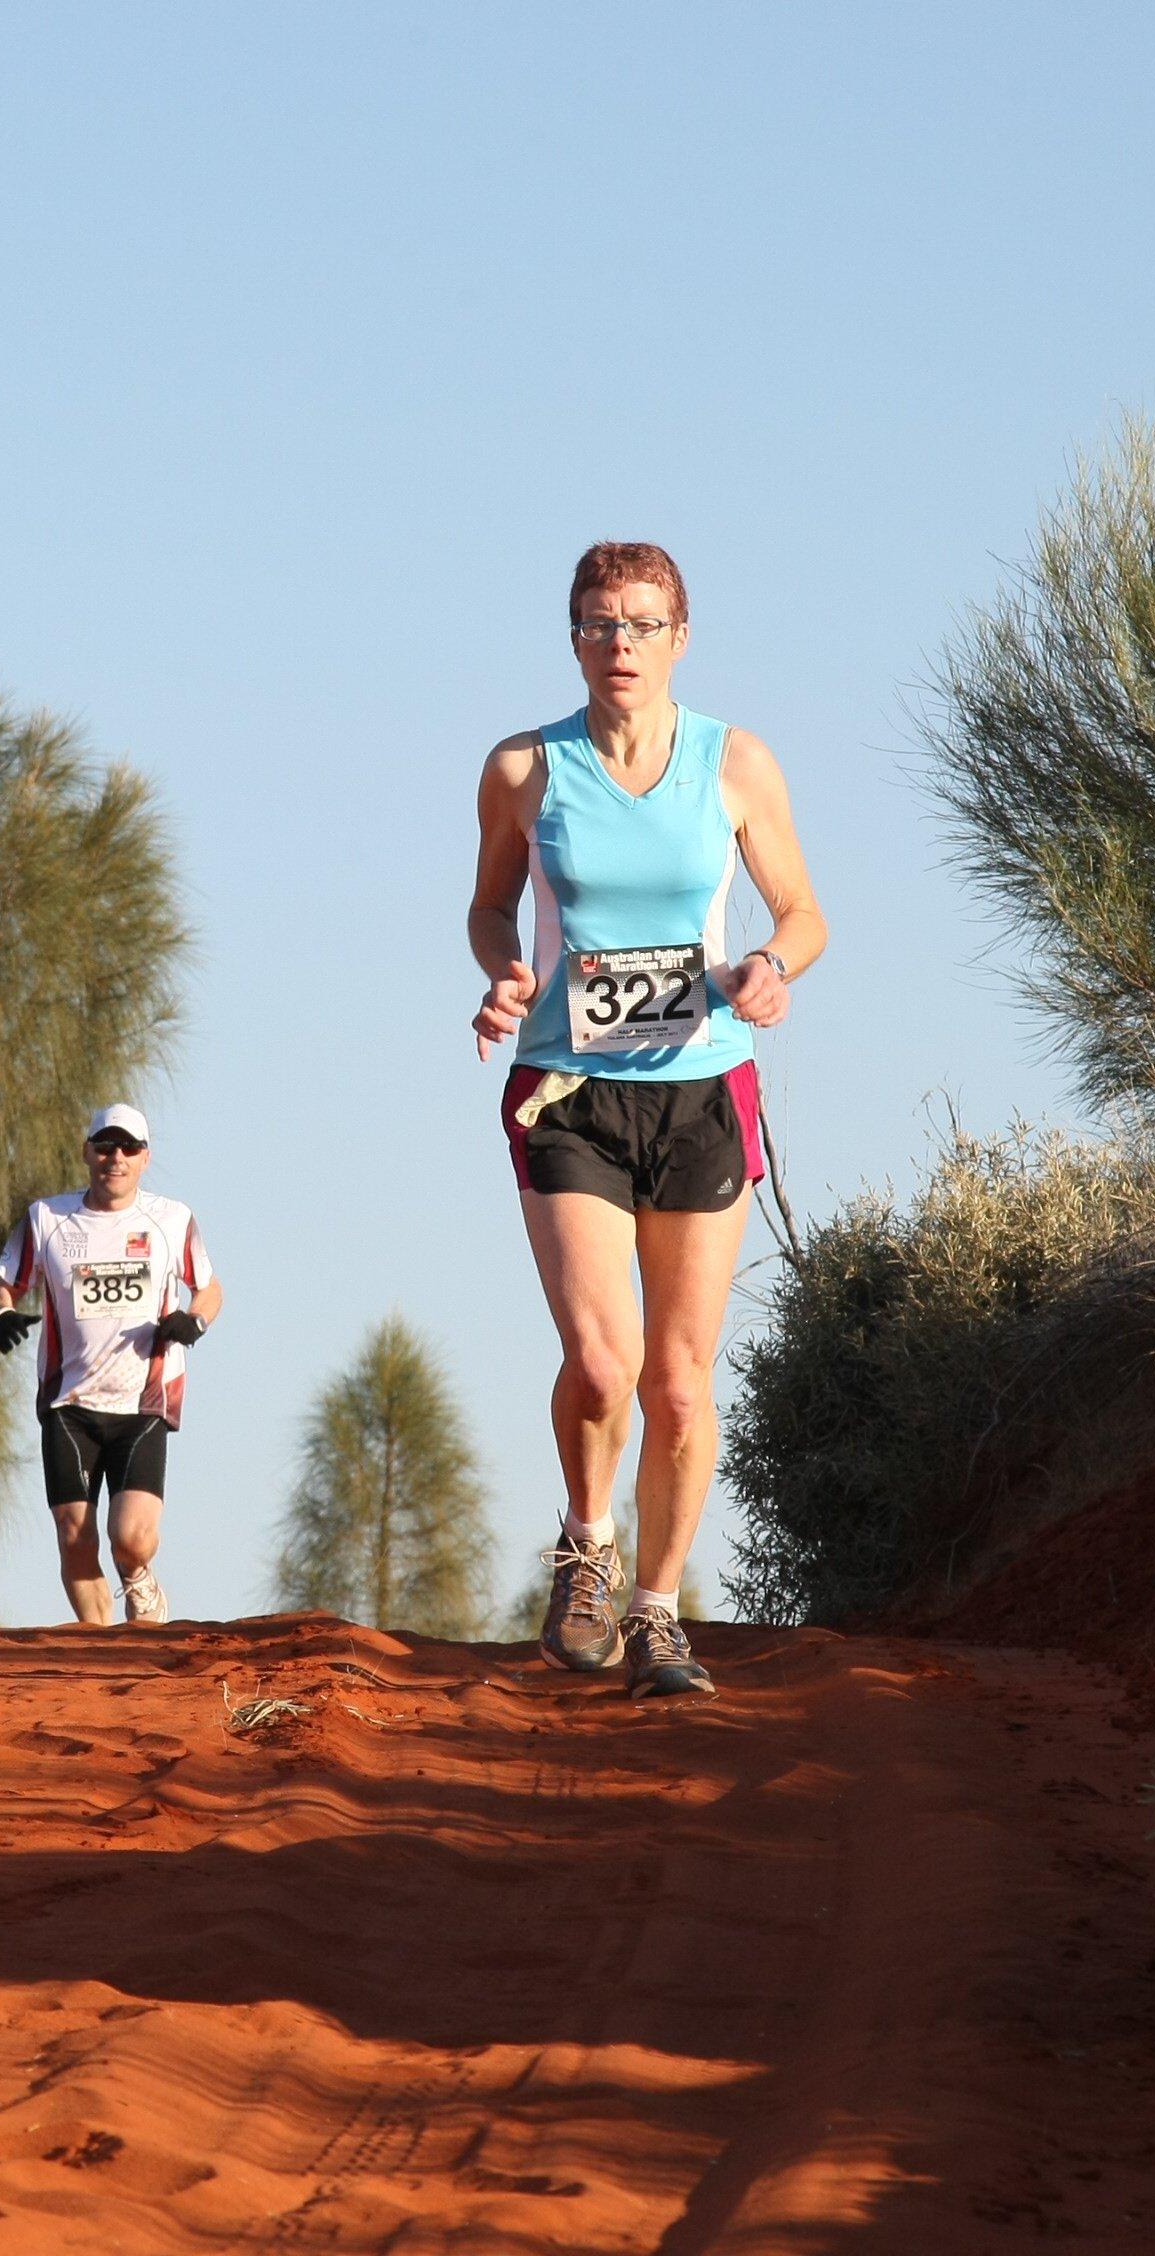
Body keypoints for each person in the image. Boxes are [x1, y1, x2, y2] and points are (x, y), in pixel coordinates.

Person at [467, 542, 825, 1698]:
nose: (619, 644)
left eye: (642, 623)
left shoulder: (736, 763)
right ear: (572, 636)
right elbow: (490, 906)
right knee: (602, 1359)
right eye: (598, 623)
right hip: (569, 1087)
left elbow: (806, 912)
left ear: (680, 636)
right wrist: (504, 975)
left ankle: (660, 1612)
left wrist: (772, 967)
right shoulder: (526, 769)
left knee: (676, 1381)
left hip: (702, 1085)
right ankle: (587, 1544)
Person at [0, 1105, 224, 1625]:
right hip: (68, 1402)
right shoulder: (46, 1219)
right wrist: (1, 1315)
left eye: (128, 1148)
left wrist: (194, 1322)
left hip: (143, 1401)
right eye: (104, 1146)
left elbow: (208, 1288)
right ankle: (98, 1657)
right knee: (75, 1536)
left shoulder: (171, 1220)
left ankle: (140, 1583)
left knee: (131, 1539)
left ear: (145, 1159)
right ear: (87, 1152)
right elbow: (4, 1284)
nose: (114, 1158)